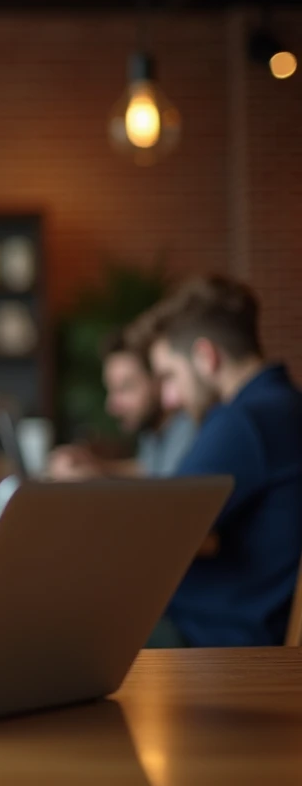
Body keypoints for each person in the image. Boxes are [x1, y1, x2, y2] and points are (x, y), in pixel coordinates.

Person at [144, 274, 302, 647]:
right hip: (246, 625)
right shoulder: (287, 406)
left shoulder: (243, 421)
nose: (169, 400)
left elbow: (156, 532)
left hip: (215, 639)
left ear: (205, 356)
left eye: (170, 376)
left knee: (57, 634)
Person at [48, 327, 196, 479]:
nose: (111, 406)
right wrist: (96, 467)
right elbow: (148, 470)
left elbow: (168, 491)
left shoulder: (189, 428)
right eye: (111, 390)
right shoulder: (155, 430)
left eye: (125, 388)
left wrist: (96, 476)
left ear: (159, 381)